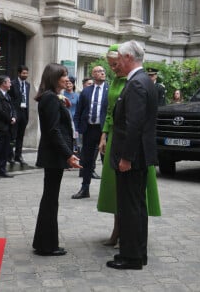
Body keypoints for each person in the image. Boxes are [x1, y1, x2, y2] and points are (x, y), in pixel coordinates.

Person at [97, 44, 161, 247]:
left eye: (116, 63)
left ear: (125, 58)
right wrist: (105, 134)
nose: (114, 67)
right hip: (125, 143)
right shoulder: (141, 81)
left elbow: (135, 124)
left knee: (132, 201)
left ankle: (131, 251)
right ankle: (135, 250)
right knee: (131, 200)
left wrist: (127, 157)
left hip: (129, 147)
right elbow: (111, 112)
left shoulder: (135, 83)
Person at [32, 63, 82, 256]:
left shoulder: (52, 98)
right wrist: (68, 154)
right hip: (53, 156)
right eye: (64, 75)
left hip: (53, 156)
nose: (67, 79)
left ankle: (43, 242)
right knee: (50, 200)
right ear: (54, 78)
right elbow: (54, 131)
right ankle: (47, 245)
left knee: (50, 199)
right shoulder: (51, 99)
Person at [72, 66, 108, 199]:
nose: (102, 72)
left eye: (103, 71)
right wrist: (76, 128)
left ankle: (108, 192)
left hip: (104, 130)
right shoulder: (86, 91)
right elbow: (79, 112)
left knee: (107, 160)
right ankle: (84, 189)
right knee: (86, 160)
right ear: (93, 74)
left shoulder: (109, 90)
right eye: (98, 71)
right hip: (89, 129)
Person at [10, 65, 30, 166]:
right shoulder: (13, 84)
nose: (25, 75)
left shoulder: (27, 85)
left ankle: (19, 155)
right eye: (23, 73)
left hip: (24, 112)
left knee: (21, 136)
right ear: (19, 73)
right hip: (16, 112)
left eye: (26, 73)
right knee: (13, 135)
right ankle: (11, 156)